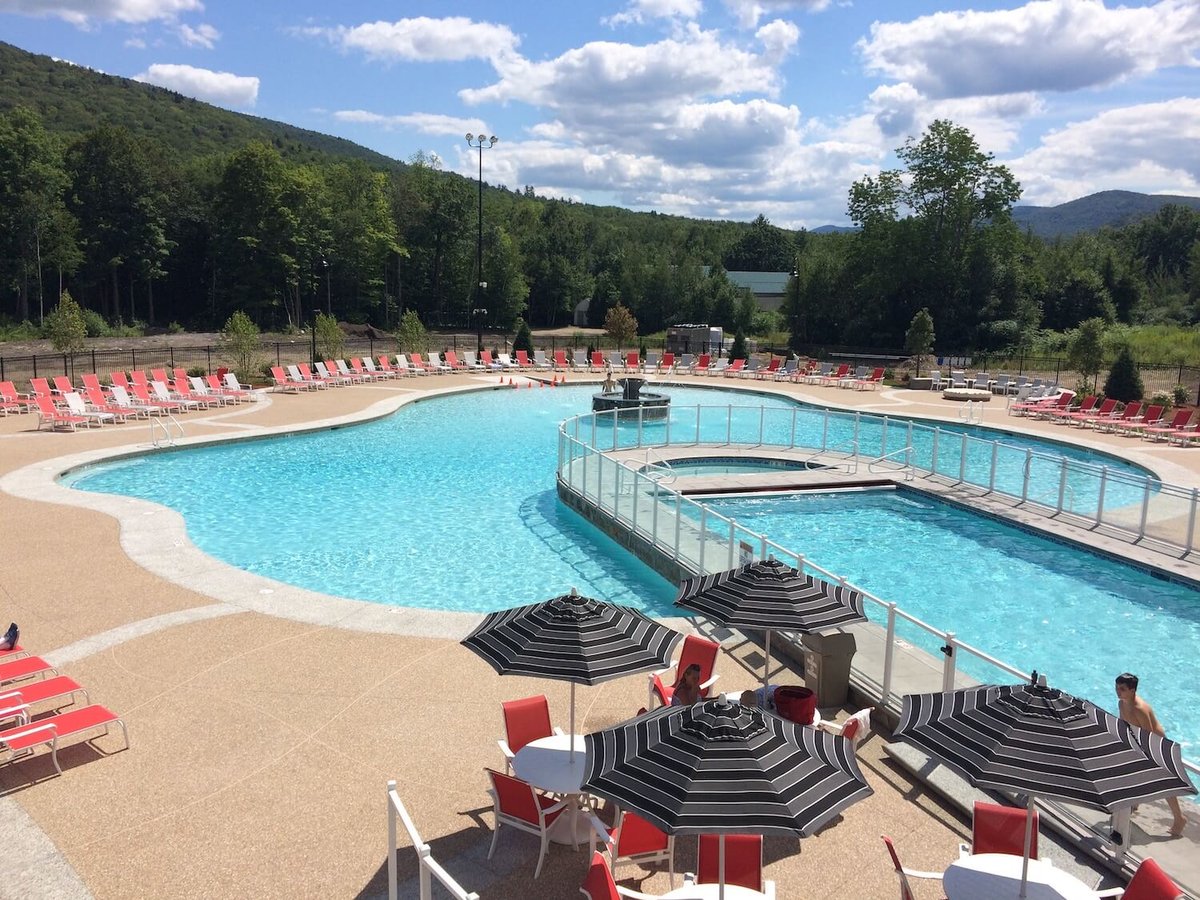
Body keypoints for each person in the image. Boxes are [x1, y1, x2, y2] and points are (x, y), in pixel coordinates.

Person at [1115, 672, 1187, 837]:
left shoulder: (1140, 709)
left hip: (1156, 744)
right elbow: (1123, 725)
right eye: (1117, 687)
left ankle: (1179, 818)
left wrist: (1143, 755)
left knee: (1163, 782)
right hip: (1139, 741)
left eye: (1122, 689)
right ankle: (1135, 802)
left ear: (1132, 690)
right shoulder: (1122, 703)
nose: (1118, 692)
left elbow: (1149, 735)